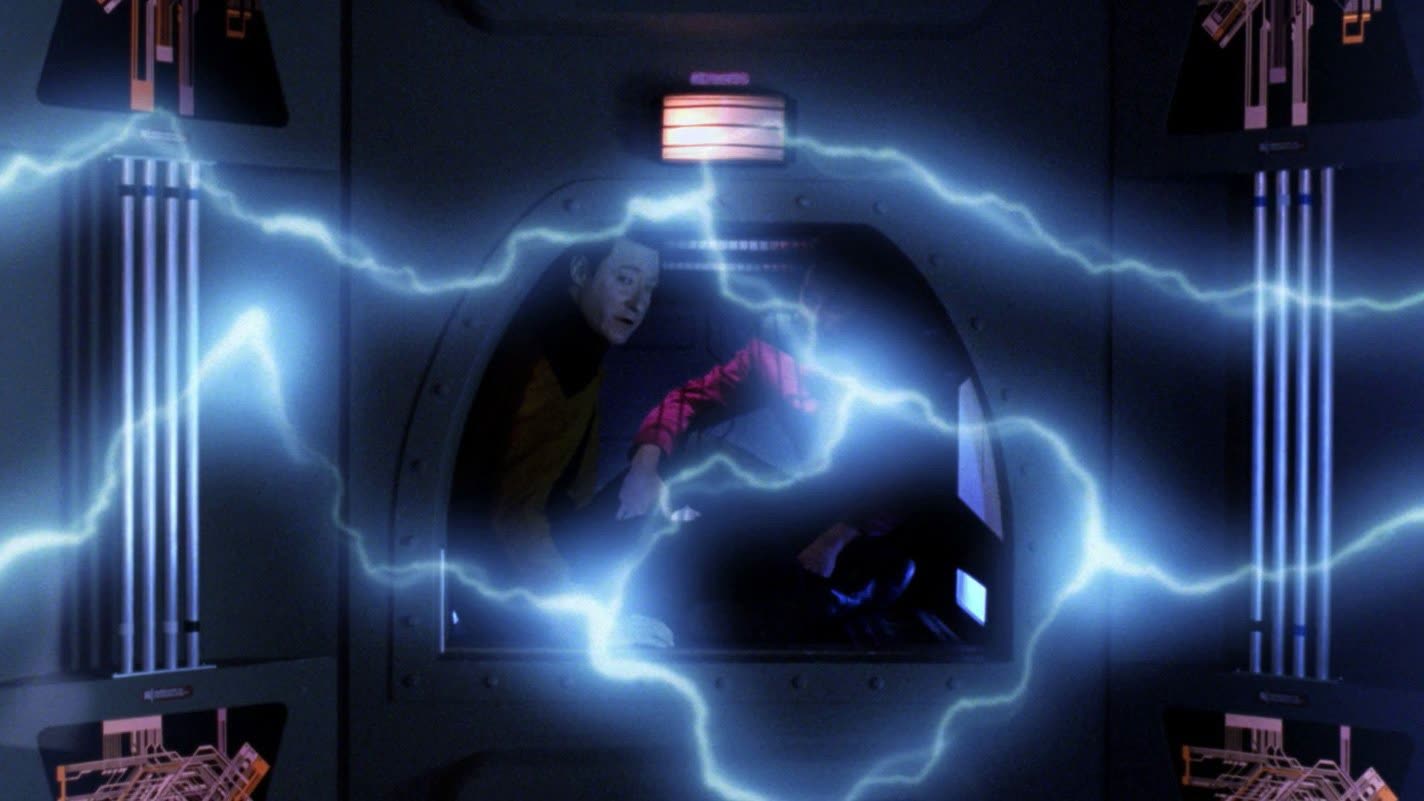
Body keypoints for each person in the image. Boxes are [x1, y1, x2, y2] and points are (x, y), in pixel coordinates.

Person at [612, 255, 951, 644]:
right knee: (699, 478)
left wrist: (837, 538)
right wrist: (645, 463)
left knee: (867, 575)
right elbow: (691, 398)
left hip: (872, 525)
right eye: (810, 297)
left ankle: (754, 619)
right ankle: (638, 605)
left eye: (836, 305)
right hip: (807, 502)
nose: (814, 316)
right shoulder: (778, 345)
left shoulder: (904, 365)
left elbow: (913, 473)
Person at [448, 236, 660, 597]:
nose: (638, 303)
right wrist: (570, 605)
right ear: (580, 271)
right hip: (523, 567)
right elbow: (513, 515)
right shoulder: (555, 365)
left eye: (649, 288)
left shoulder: (580, 350)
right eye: (625, 280)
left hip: (557, 537)